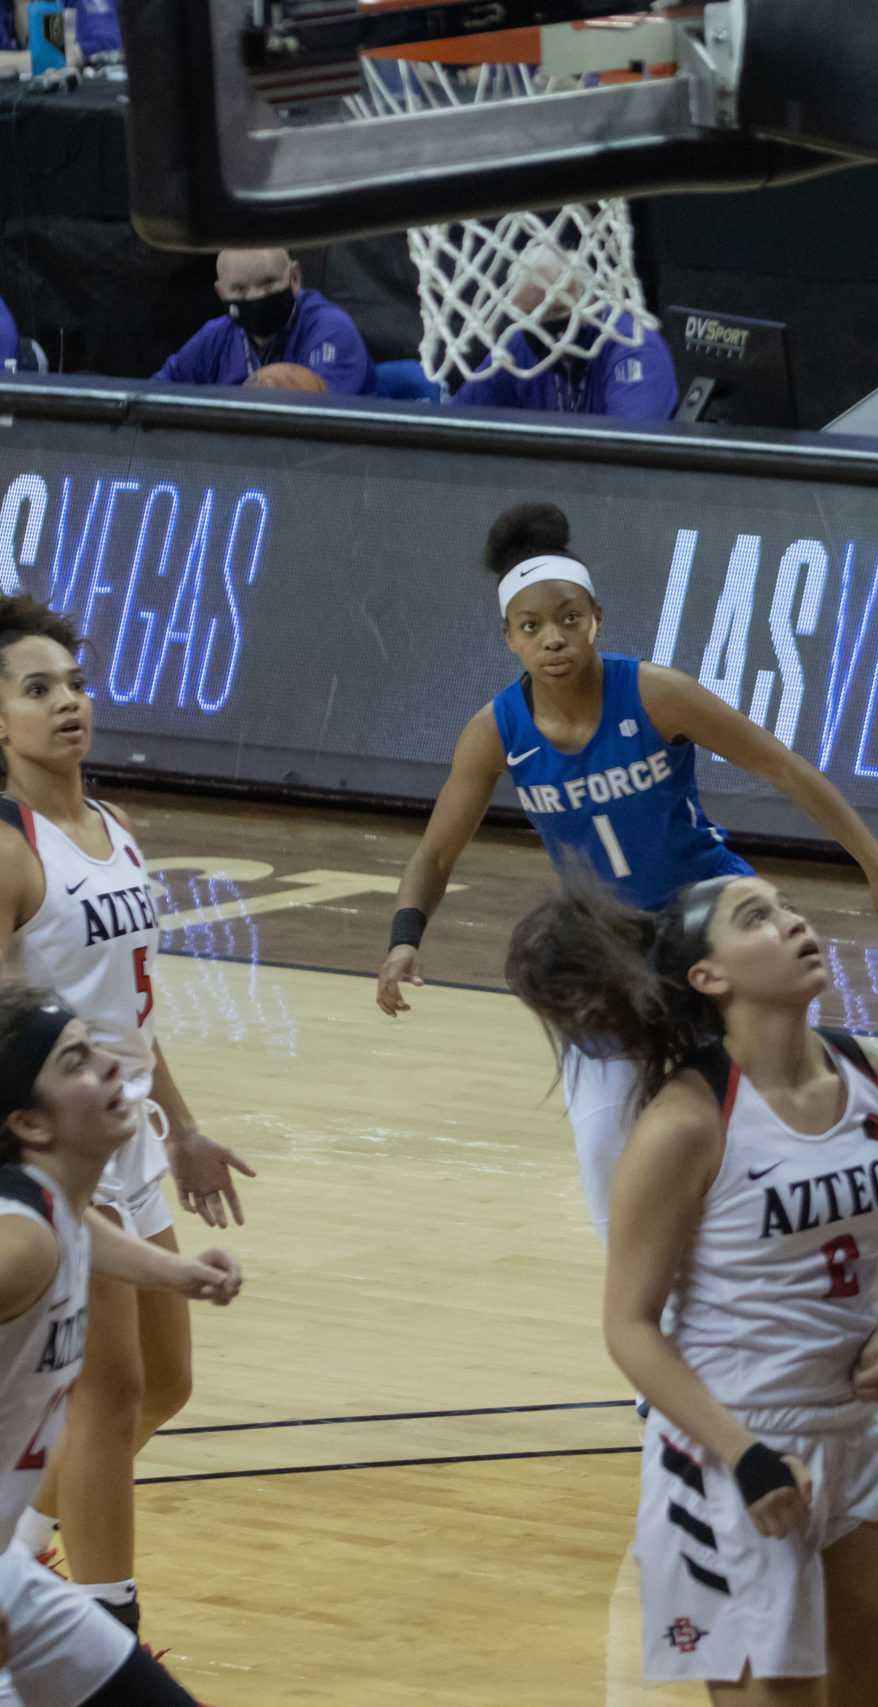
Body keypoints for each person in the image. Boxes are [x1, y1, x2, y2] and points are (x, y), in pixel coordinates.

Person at [371, 504, 878, 1386]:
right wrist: (404, 940)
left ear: (596, 619)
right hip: (605, 952)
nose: (555, 638)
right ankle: (676, 1340)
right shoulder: (495, 731)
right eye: (534, 627)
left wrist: (877, 865)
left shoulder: (655, 692)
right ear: (509, 640)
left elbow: (782, 768)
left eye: (569, 618)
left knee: (777, 1129)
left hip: (709, 916)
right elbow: (437, 849)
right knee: (611, 1151)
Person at [506, 878, 878, 1702]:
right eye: (755, 918)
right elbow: (628, 1326)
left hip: (865, 1439)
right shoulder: (683, 1125)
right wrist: (748, 1456)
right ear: (709, 977)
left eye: (786, 905)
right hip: (730, 1457)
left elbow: (867, 1241)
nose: (793, 920)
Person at [0, 598, 255, 1645]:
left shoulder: (110, 827)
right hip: (63, 1140)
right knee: (108, 1396)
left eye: (72, 683)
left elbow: (131, 1011)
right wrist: (35, 1157)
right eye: (36, 688)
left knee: (170, 1386)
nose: (68, 703)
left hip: (132, 1126)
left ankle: (17, 1559)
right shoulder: (10, 849)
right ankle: (104, 1627)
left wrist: (182, 1127)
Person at [0, 983, 242, 1707]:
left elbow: (88, 1229)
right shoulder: (21, 1245)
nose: (109, 1066)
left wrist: (176, 1273)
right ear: (29, 1124)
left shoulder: (54, 1203)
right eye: (75, 1061)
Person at [448, 249, 679, 422]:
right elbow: (460, 418)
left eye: (557, 310)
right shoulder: (518, 343)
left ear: (588, 300)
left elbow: (628, 449)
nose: (545, 330)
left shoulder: (633, 346)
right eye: (530, 316)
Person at [152, 250, 372, 397]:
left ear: (294, 278)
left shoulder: (330, 330)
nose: (255, 297)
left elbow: (325, 413)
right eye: (239, 289)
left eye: (268, 284)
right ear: (221, 293)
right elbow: (157, 393)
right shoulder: (216, 336)